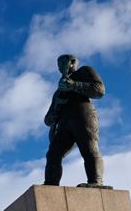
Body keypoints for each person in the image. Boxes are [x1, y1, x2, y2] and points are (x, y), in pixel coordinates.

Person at [43, 54, 106, 187]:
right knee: (53, 154)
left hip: (83, 115)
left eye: (62, 63)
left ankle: (96, 181)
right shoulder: (58, 91)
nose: (60, 67)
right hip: (64, 124)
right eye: (58, 64)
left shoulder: (84, 71)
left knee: (89, 148)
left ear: (72, 63)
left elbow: (99, 90)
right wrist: (56, 109)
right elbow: (48, 120)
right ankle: (51, 184)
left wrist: (74, 85)